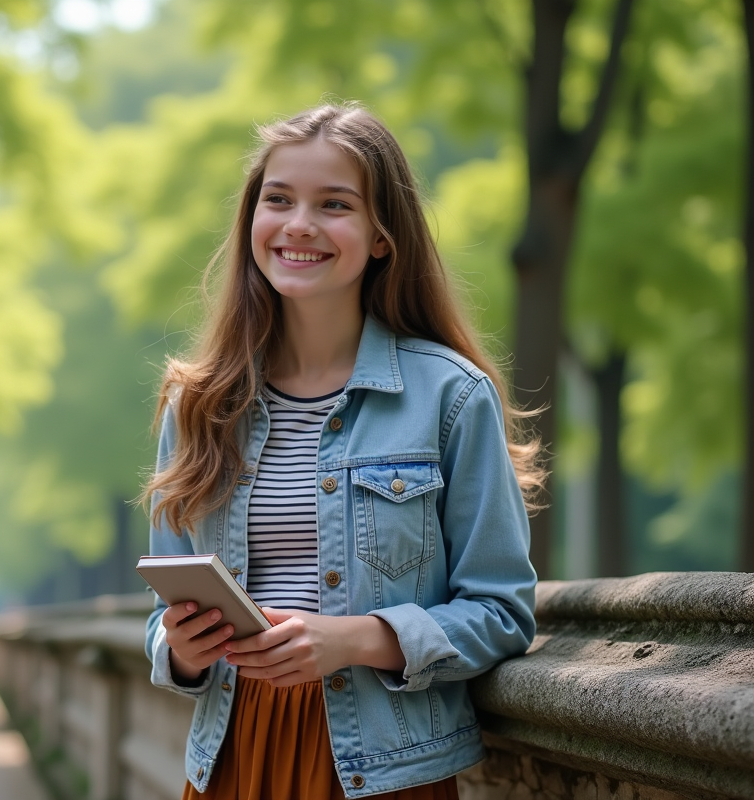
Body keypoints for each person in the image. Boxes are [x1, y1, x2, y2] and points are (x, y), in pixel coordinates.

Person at [143, 103, 544, 800]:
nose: (299, 224)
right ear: (252, 222)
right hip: (231, 756)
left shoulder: (450, 397)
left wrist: (354, 639)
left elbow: (501, 613)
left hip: (385, 767)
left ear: (382, 236)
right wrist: (179, 651)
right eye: (279, 200)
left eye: (334, 204)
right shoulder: (198, 406)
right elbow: (161, 614)